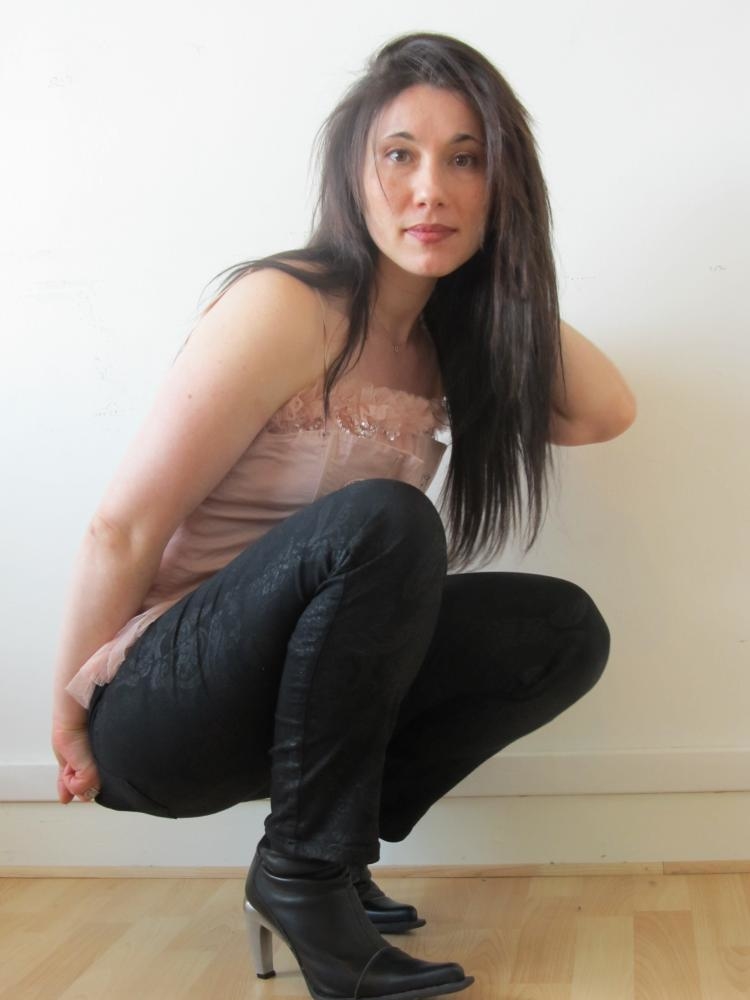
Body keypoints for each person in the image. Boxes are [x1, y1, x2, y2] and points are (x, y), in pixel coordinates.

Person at [51, 31, 635, 1000]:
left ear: (504, 187)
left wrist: (503, 274)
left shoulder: (445, 343)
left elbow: (602, 411)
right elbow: (123, 526)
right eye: (400, 155)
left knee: (559, 629)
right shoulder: (285, 306)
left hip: (288, 699)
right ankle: (305, 874)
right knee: (386, 522)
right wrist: (70, 716)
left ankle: (321, 847)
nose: (429, 190)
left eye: (466, 161)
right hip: (164, 698)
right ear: (351, 175)